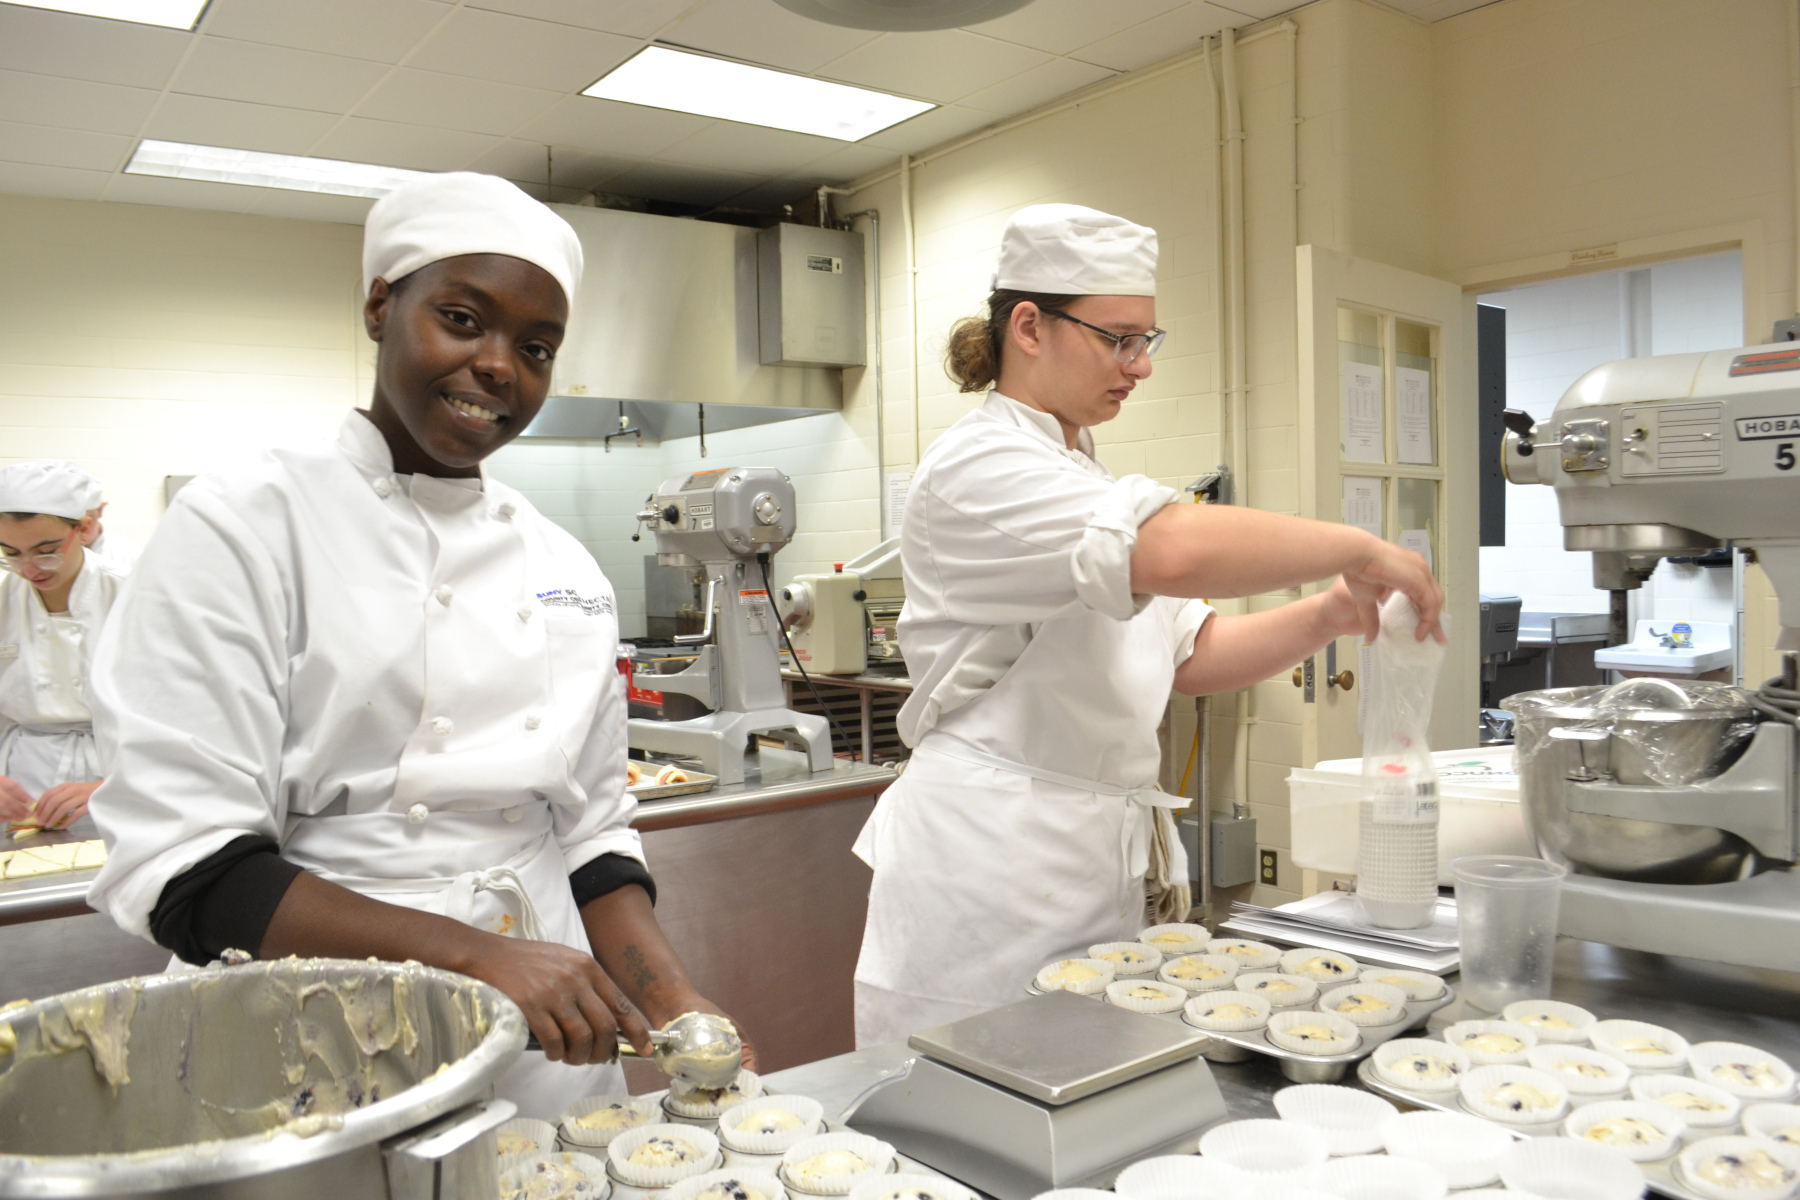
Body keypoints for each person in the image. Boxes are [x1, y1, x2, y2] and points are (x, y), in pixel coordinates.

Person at [86, 172, 749, 1118]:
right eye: (461, 318)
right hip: (310, 1030)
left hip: (546, 1051)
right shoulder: (244, 525)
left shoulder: (563, 565)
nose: (497, 366)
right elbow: (192, 870)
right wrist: (480, 957)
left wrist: (669, 995)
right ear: (379, 306)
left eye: (535, 346)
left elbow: (594, 835)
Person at [851, 204, 1446, 1046]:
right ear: (1030, 325)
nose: (1139, 366)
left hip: (1084, 857)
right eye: (1118, 338)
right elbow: (1167, 551)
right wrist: (1358, 546)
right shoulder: (979, 466)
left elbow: (1192, 654)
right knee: (969, 1110)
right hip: (988, 868)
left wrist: (1333, 612)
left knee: (1074, 1097)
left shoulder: (1079, 476)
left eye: (1147, 341)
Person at [0, 461, 130, 832]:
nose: (29, 568)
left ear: (85, 528)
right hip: (24, 779)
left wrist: (109, 786)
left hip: (121, 776)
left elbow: (181, 715)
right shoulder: (3, 601)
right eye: (11, 553)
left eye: (46, 550)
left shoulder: (133, 595)